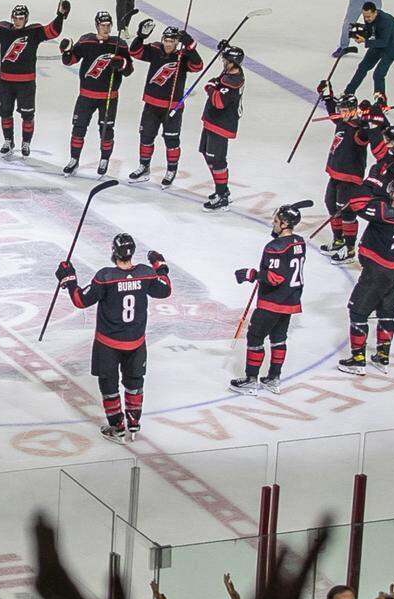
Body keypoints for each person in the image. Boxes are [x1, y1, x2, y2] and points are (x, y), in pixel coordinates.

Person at [55, 232, 172, 437]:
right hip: (136, 342)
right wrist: (159, 265)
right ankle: (134, 423)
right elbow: (165, 289)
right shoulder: (145, 274)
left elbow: (80, 300)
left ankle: (117, 426)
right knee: (135, 381)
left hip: (107, 344)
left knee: (109, 385)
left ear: (113, 252)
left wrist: (69, 277)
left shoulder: (105, 277)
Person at [338, 170, 394, 376]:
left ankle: (358, 359)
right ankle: (383, 356)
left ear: (393, 194)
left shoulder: (384, 212)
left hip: (378, 268)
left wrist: (373, 180)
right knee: (387, 311)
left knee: (358, 311)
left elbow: (357, 203)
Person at [230, 204, 308, 394]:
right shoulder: (300, 242)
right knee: (279, 339)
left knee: (255, 337)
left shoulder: (275, 247)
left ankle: (251, 380)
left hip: (272, 302)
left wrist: (251, 274)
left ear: (285, 223)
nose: (273, 224)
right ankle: (273, 378)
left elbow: (275, 278)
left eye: (276, 221)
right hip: (290, 301)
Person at [0, 0, 69, 157]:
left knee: (27, 115)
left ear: (26, 19)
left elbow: (53, 31)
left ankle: (26, 143)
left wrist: (61, 15)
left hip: (26, 83)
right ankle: (8, 141)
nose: (18, 21)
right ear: (12, 17)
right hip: (6, 82)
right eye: (16, 18)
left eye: (21, 18)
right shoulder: (3, 30)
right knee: (5, 112)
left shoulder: (34, 32)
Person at [127, 21, 204, 186]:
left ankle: (171, 170)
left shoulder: (183, 57)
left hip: (172, 107)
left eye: (172, 41)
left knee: (172, 140)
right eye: (166, 40)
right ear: (162, 39)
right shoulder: (155, 50)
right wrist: (140, 37)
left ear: (177, 42)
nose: (168, 44)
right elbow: (134, 52)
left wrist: (190, 45)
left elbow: (198, 66)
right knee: (146, 136)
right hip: (151, 104)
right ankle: (144, 166)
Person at [61, 10, 133, 177]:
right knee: (78, 128)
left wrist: (121, 63)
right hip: (86, 95)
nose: (106, 29)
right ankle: (74, 159)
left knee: (106, 129)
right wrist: (66, 51)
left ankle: (104, 159)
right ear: (96, 26)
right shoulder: (87, 41)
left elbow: (129, 70)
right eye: (103, 25)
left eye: (108, 25)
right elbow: (70, 60)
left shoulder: (119, 45)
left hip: (108, 97)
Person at [317, 85, 371, 263]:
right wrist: (327, 97)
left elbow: (365, 135)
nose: (344, 112)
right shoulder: (342, 121)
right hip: (335, 173)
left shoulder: (358, 128)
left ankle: (349, 249)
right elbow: (333, 112)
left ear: (354, 110)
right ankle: (338, 240)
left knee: (346, 212)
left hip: (350, 177)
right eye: (342, 109)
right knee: (331, 205)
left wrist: (367, 120)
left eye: (347, 110)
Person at [198, 43, 245, 210]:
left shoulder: (233, 80)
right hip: (212, 121)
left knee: (217, 159)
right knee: (206, 152)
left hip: (221, 124)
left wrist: (210, 87)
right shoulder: (229, 72)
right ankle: (222, 189)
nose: (223, 61)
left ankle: (222, 195)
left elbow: (218, 102)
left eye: (225, 59)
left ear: (232, 62)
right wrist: (226, 46)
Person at [342, 3, 394, 101]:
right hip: (378, 44)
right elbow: (372, 33)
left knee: (378, 74)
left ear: (375, 13)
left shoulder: (386, 21)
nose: (366, 19)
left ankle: (381, 101)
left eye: (369, 16)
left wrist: (365, 41)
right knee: (362, 67)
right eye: (364, 16)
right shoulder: (370, 19)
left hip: (392, 47)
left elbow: (384, 41)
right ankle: (348, 93)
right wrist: (362, 34)